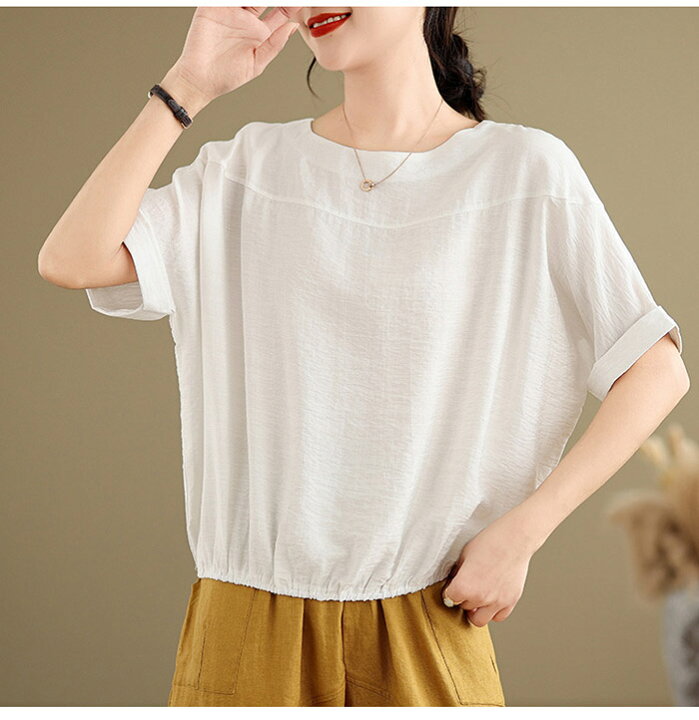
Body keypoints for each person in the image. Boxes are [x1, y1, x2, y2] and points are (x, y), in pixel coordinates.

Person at [37, 6, 689, 707]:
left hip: (428, 614)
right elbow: (72, 259)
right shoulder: (246, 170)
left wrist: (523, 533)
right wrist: (187, 87)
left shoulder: (524, 172)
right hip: (244, 624)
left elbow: (654, 367)